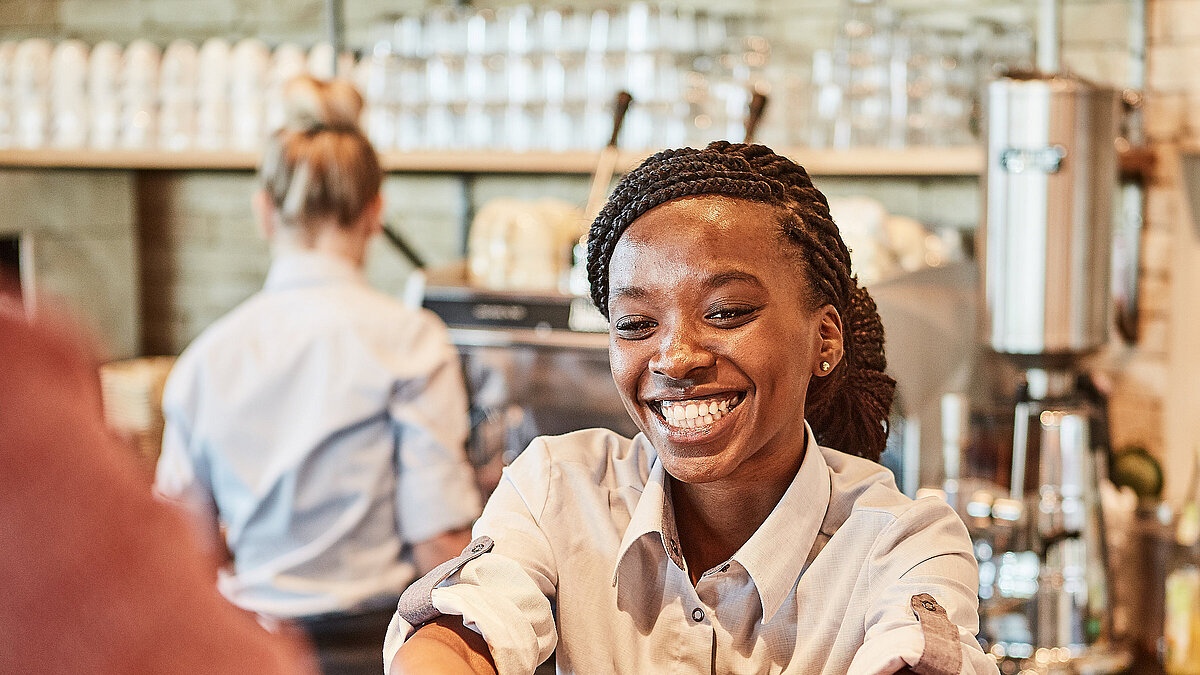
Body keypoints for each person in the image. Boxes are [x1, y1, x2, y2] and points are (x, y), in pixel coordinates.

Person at [384, 142, 999, 674]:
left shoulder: (902, 539)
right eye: (636, 323)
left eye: (727, 313)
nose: (675, 359)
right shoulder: (559, 490)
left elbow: (916, 653)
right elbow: (464, 630)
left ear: (825, 339)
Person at [154, 76, 482, 674]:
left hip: (248, 648)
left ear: (264, 211)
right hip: (372, 647)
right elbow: (437, 541)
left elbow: (183, 551)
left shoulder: (205, 359)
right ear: (375, 212)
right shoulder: (410, 340)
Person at [0, 305, 316, 674]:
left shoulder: (206, 357)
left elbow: (190, 521)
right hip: (342, 625)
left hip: (254, 604)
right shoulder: (23, 363)